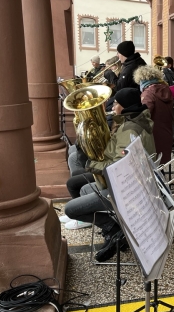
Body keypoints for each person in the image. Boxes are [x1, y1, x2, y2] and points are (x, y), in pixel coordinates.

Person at [64, 88, 156, 262]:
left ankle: (114, 228)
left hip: (127, 189)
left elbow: (118, 166)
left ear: (125, 106)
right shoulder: (134, 121)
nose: (113, 105)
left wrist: (92, 163)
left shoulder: (129, 129)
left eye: (116, 103)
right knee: (83, 189)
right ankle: (113, 228)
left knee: (70, 209)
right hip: (128, 183)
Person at [134, 65, 174, 165]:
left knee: (152, 164)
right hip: (166, 130)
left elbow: (145, 114)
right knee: (160, 163)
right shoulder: (166, 88)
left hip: (153, 133)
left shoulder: (148, 92)